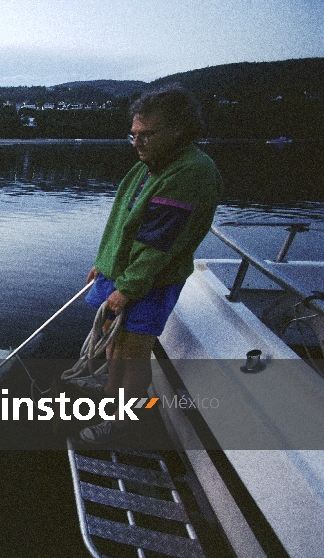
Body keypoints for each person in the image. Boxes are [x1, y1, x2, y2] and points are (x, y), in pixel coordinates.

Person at [79, 84, 223, 444]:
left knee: (133, 352)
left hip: (150, 280)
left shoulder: (189, 173)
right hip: (123, 272)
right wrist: (104, 263)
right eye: (134, 135)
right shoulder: (151, 163)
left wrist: (127, 289)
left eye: (147, 134)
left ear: (179, 130)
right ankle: (109, 388)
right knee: (114, 341)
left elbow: (158, 243)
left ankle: (121, 422)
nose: (137, 142)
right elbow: (121, 222)